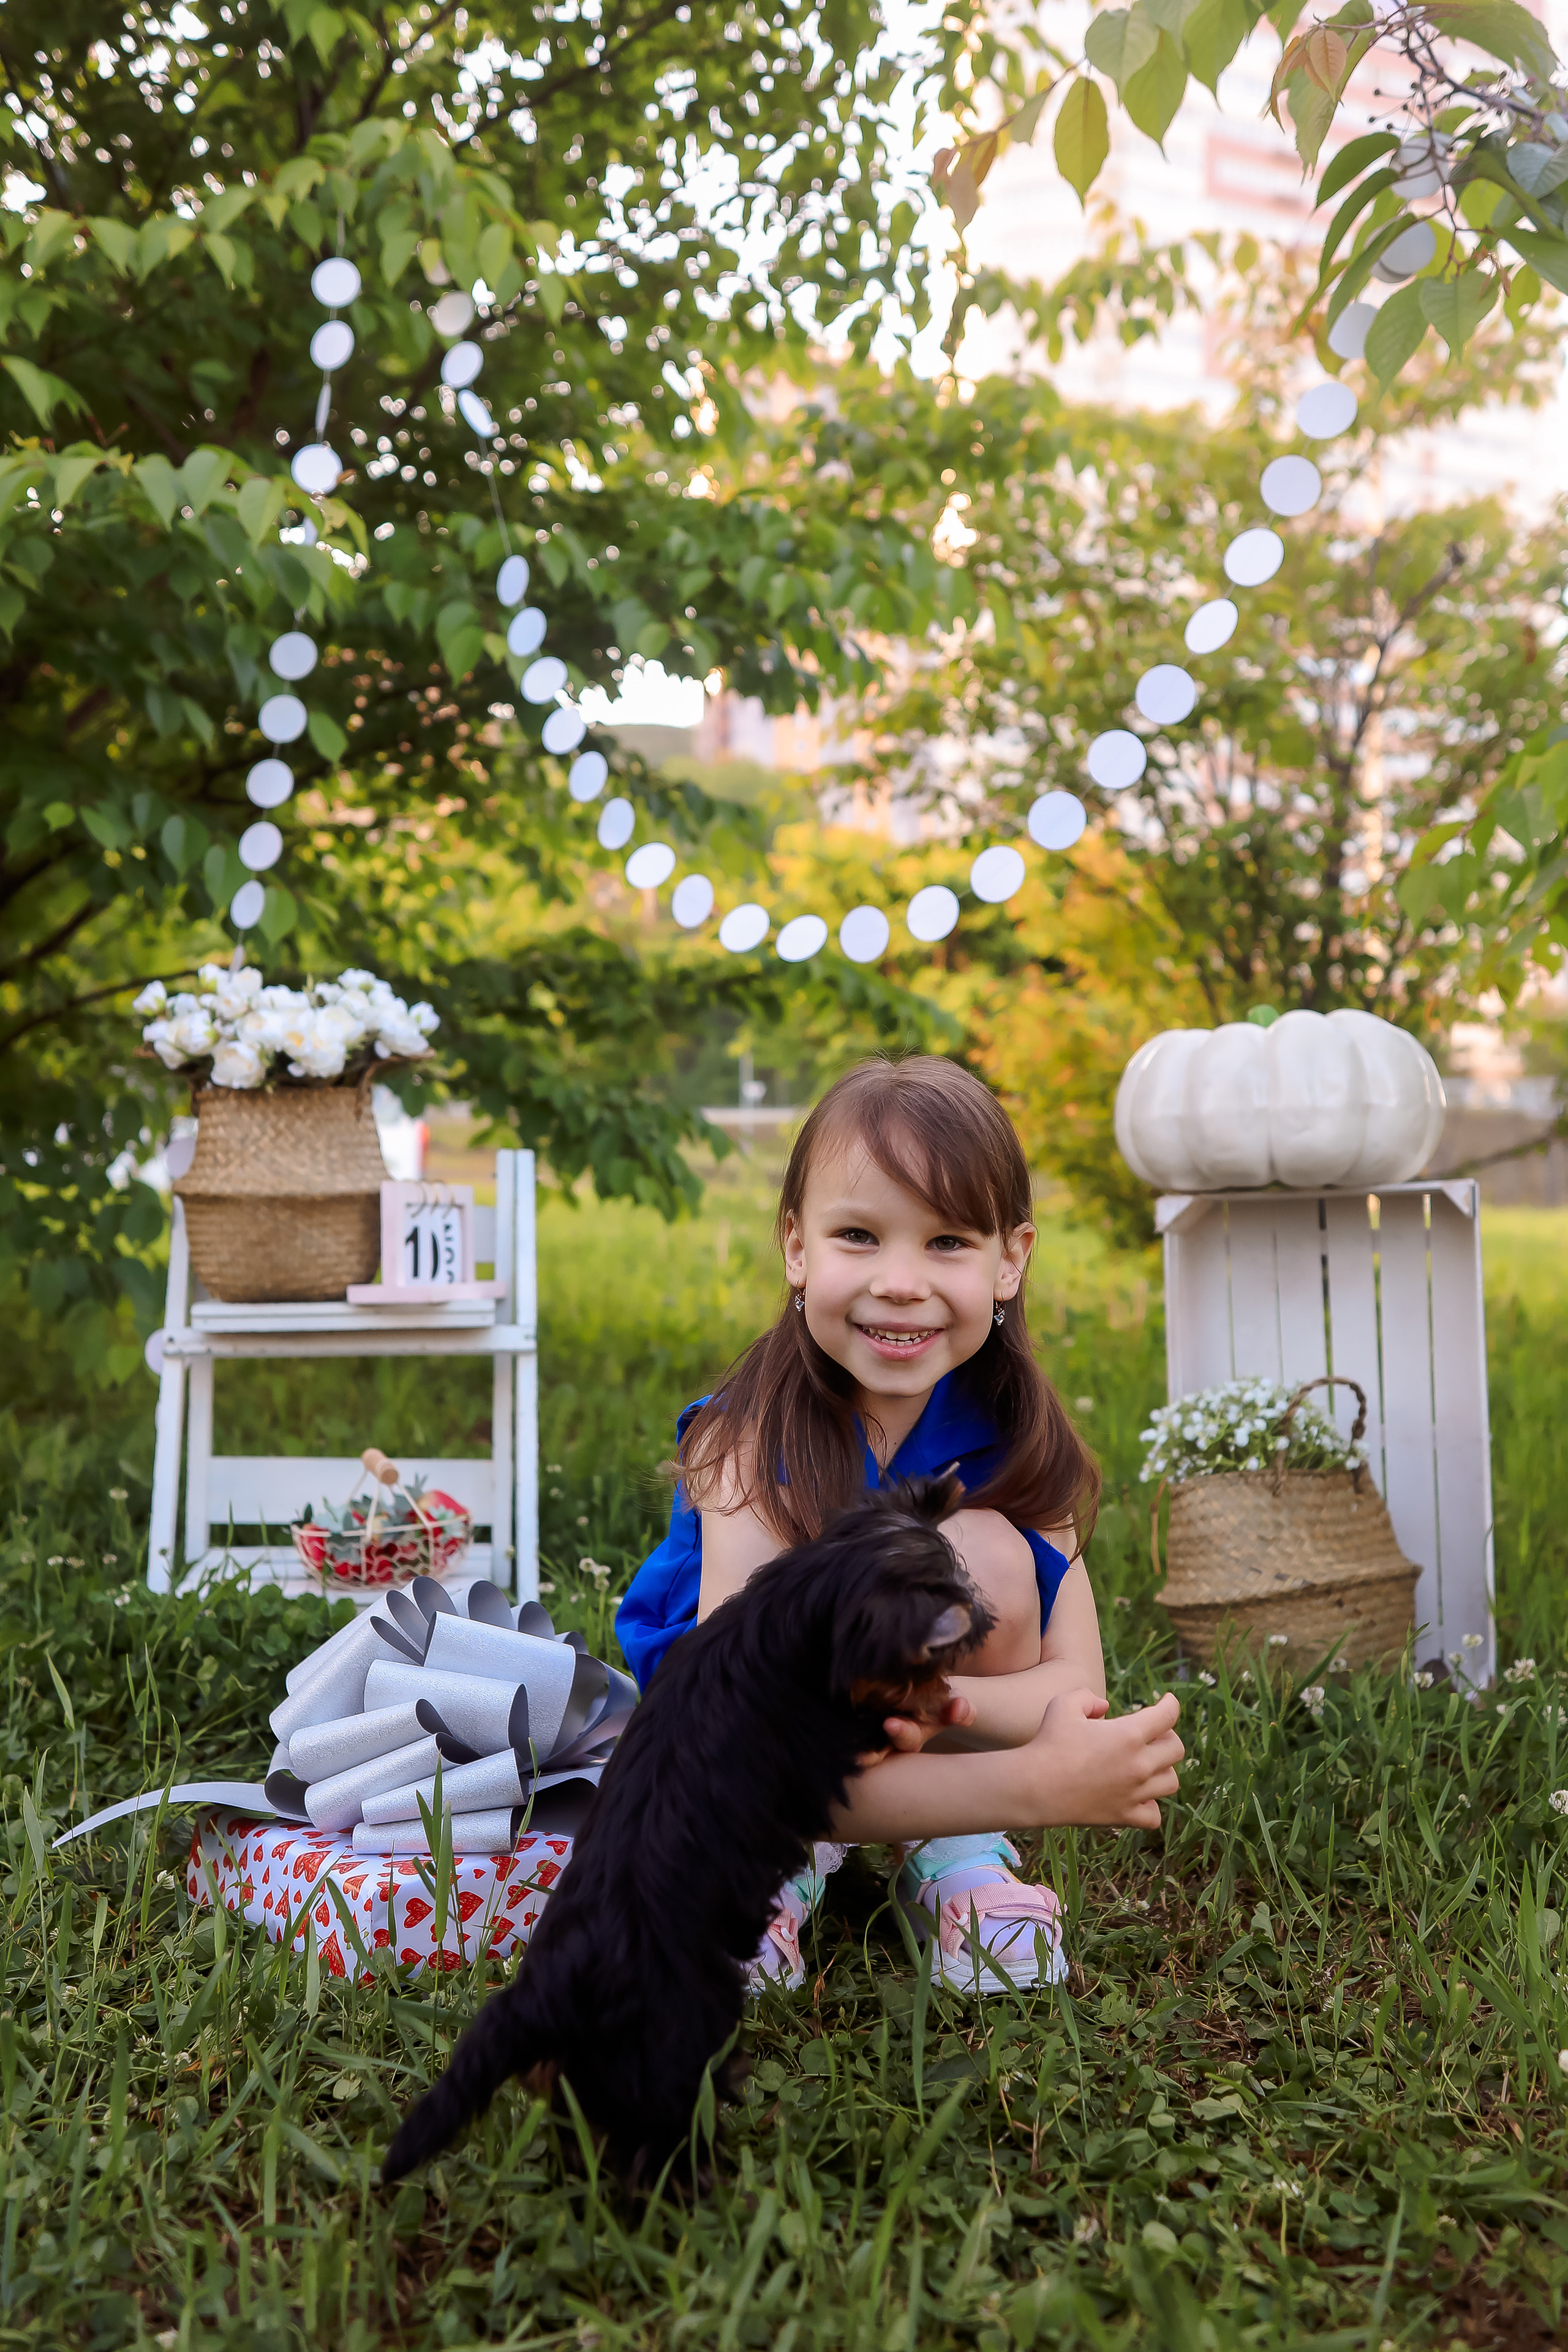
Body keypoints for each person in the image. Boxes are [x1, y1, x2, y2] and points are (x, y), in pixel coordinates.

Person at [616, 1055, 1183, 1992]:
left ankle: (954, 1854)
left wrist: (918, 1702)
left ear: (1011, 1260)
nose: (902, 1282)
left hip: (894, 1730)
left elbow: (1075, 1683)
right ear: (798, 1248)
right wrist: (1041, 1780)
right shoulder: (750, 1443)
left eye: (948, 1242)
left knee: (986, 1552)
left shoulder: (1017, 1441)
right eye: (859, 1236)